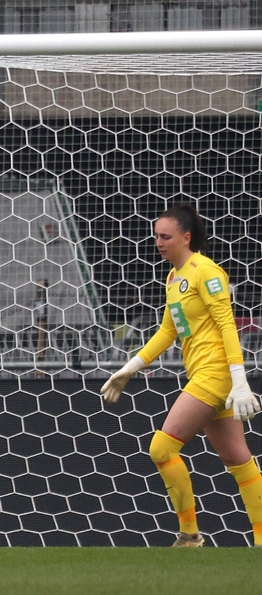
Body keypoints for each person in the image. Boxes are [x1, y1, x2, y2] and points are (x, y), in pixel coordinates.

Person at [101, 203, 262, 547]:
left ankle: (189, 536)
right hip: (205, 374)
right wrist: (128, 369)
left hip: (215, 373)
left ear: (186, 238)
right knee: (237, 458)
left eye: (165, 236)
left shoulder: (207, 271)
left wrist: (239, 379)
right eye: (156, 236)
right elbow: (167, 332)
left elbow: (227, 326)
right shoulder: (173, 278)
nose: (158, 242)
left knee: (161, 448)